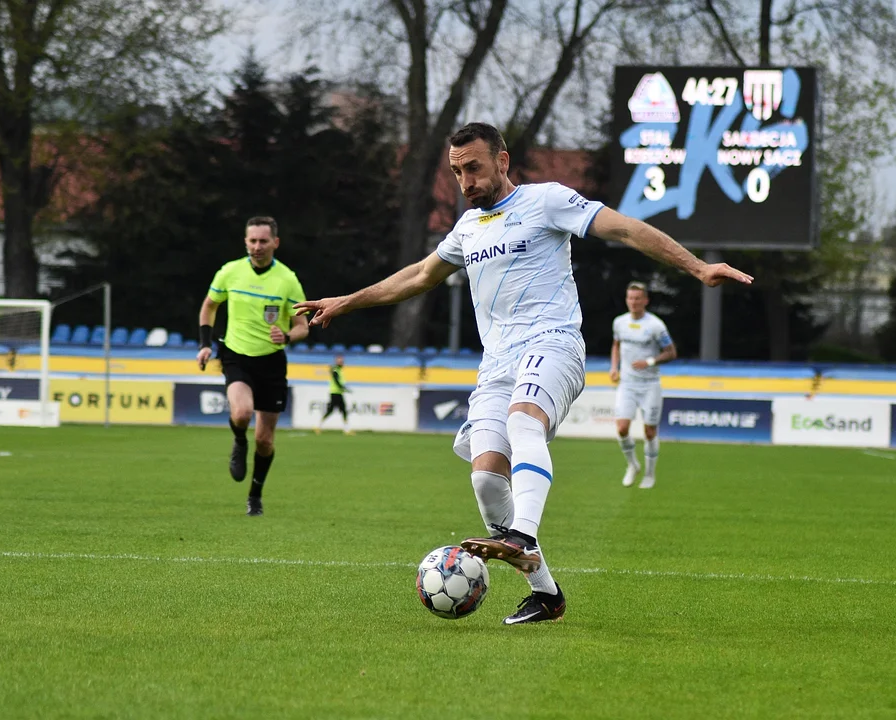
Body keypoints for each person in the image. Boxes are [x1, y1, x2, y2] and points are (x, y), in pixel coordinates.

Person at [295, 122, 752, 624]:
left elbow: (624, 228)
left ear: (502, 161)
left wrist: (697, 267)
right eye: (456, 172)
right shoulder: (467, 229)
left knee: (523, 422)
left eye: (473, 167)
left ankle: (523, 535)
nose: (465, 181)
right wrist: (348, 301)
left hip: (553, 343)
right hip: (497, 362)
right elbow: (420, 276)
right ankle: (546, 594)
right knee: (487, 478)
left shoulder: (546, 201)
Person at [197, 216, 309, 516]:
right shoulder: (230, 272)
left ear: (275, 242)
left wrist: (286, 335)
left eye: (263, 241)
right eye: (252, 241)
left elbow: (303, 326)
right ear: (245, 242)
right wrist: (205, 343)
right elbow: (209, 305)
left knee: (264, 439)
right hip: (235, 354)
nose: (257, 247)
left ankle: (255, 496)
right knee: (242, 412)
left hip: (272, 362)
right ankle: (237, 441)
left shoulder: (287, 279)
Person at [610, 281, 676, 489]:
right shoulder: (619, 322)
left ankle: (649, 474)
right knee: (621, 428)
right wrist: (614, 367)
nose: (634, 302)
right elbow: (616, 345)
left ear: (645, 300)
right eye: (630, 298)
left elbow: (671, 352)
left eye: (638, 298)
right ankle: (632, 465)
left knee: (649, 432)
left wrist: (649, 362)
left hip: (650, 385)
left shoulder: (655, 325)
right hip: (628, 384)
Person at [316, 354, 354, 435]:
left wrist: (343, 388)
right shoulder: (335, 370)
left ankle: (346, 429)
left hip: (338, 393)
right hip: (335, 393)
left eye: (342, 361)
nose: (342, 362)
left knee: (342, 410)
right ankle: (319, 426)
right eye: (340, 361)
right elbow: (337, 381)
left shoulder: (338, 370)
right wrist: (344, 388)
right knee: (334, 410)